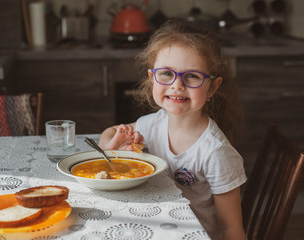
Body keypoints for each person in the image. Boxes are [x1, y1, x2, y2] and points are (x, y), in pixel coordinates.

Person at [99, 19, 247, 240]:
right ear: (152, 79)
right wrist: (111, 148)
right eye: (167, 73)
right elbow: (108, 133)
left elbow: (231, 230)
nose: (177, 85)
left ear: (212, 88)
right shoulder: (151, 124)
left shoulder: (215, 152)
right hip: (153, 227)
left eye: (192, 76)